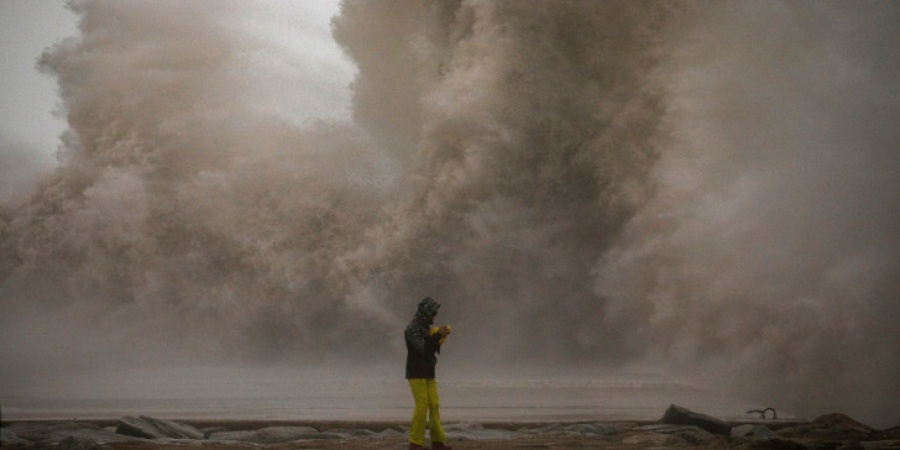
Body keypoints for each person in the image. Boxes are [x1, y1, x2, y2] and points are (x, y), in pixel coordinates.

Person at [405, 296, 452, 450]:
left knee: (434, 405)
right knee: (422, 406)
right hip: (416, 373)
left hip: (429, 373)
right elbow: (424, 349)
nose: (435, 316)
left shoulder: (425, 328)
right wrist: (439, 335)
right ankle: (415, 443)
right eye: (433, 313)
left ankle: (437, 442)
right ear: (426, 313)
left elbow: (429, 346)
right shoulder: (412, 329)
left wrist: (439, 335)